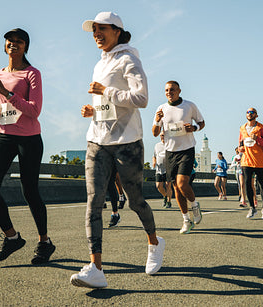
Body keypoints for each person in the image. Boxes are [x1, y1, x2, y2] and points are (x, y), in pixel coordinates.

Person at [71, 12, 165, 289]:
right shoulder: (99, 64)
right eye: (94, 31)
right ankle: (96, 268)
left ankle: (154, 241)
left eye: (101, 29)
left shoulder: (129, 59)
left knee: (135, 201)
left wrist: (106, 92)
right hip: (97, 140)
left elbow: (142, 98)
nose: (96, 34)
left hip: (127, 142)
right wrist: (94, 110)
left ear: (117, 31)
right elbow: (107, 104)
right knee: (93, 203)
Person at [0, 28, 55, 265]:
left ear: (26, 47)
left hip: (29, 138)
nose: (13, 44)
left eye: (19, 41)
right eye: (10, 41)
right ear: (4, 46)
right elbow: (8, 109)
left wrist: (7, 92)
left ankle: (44, 242)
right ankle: (12, 237)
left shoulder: (32, 74)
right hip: (4, 135)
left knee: (30, 191)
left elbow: (34, 111)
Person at [152, 80, 205, 234]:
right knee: (176, 187)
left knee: (182, 184)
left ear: (179, 91)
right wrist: (157, 120)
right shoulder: (161, 109)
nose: (169, 92)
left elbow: (201, 123)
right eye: (167, 90)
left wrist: (194, 128)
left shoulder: (189, 106)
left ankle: (194, 206)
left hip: (186, 149)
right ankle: (186, 220)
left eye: (172, 90)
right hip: (170, 152)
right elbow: (155, 133)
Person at [238, 108, 263, 219]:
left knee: (262, 184)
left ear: (256, 115)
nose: (250, 114)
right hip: (246, 161)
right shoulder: (242, 128)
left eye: (252, 112)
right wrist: (241, 148)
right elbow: (240, 142)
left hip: (260, 161)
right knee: (248, 184)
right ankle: (252, 208)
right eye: (248, 112)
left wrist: (258, 139)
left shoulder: (261, 128)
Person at [152, 132, 172, 208]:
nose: (162, 137)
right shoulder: (157, 145)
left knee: (168, 185)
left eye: (163, 135)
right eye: (161, 135)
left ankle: (169, 202)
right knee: (158, 186)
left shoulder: (170, 145)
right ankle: (165, 196)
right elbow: (154, 156)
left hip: (168, 169)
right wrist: (154, 162)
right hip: (159, 169)